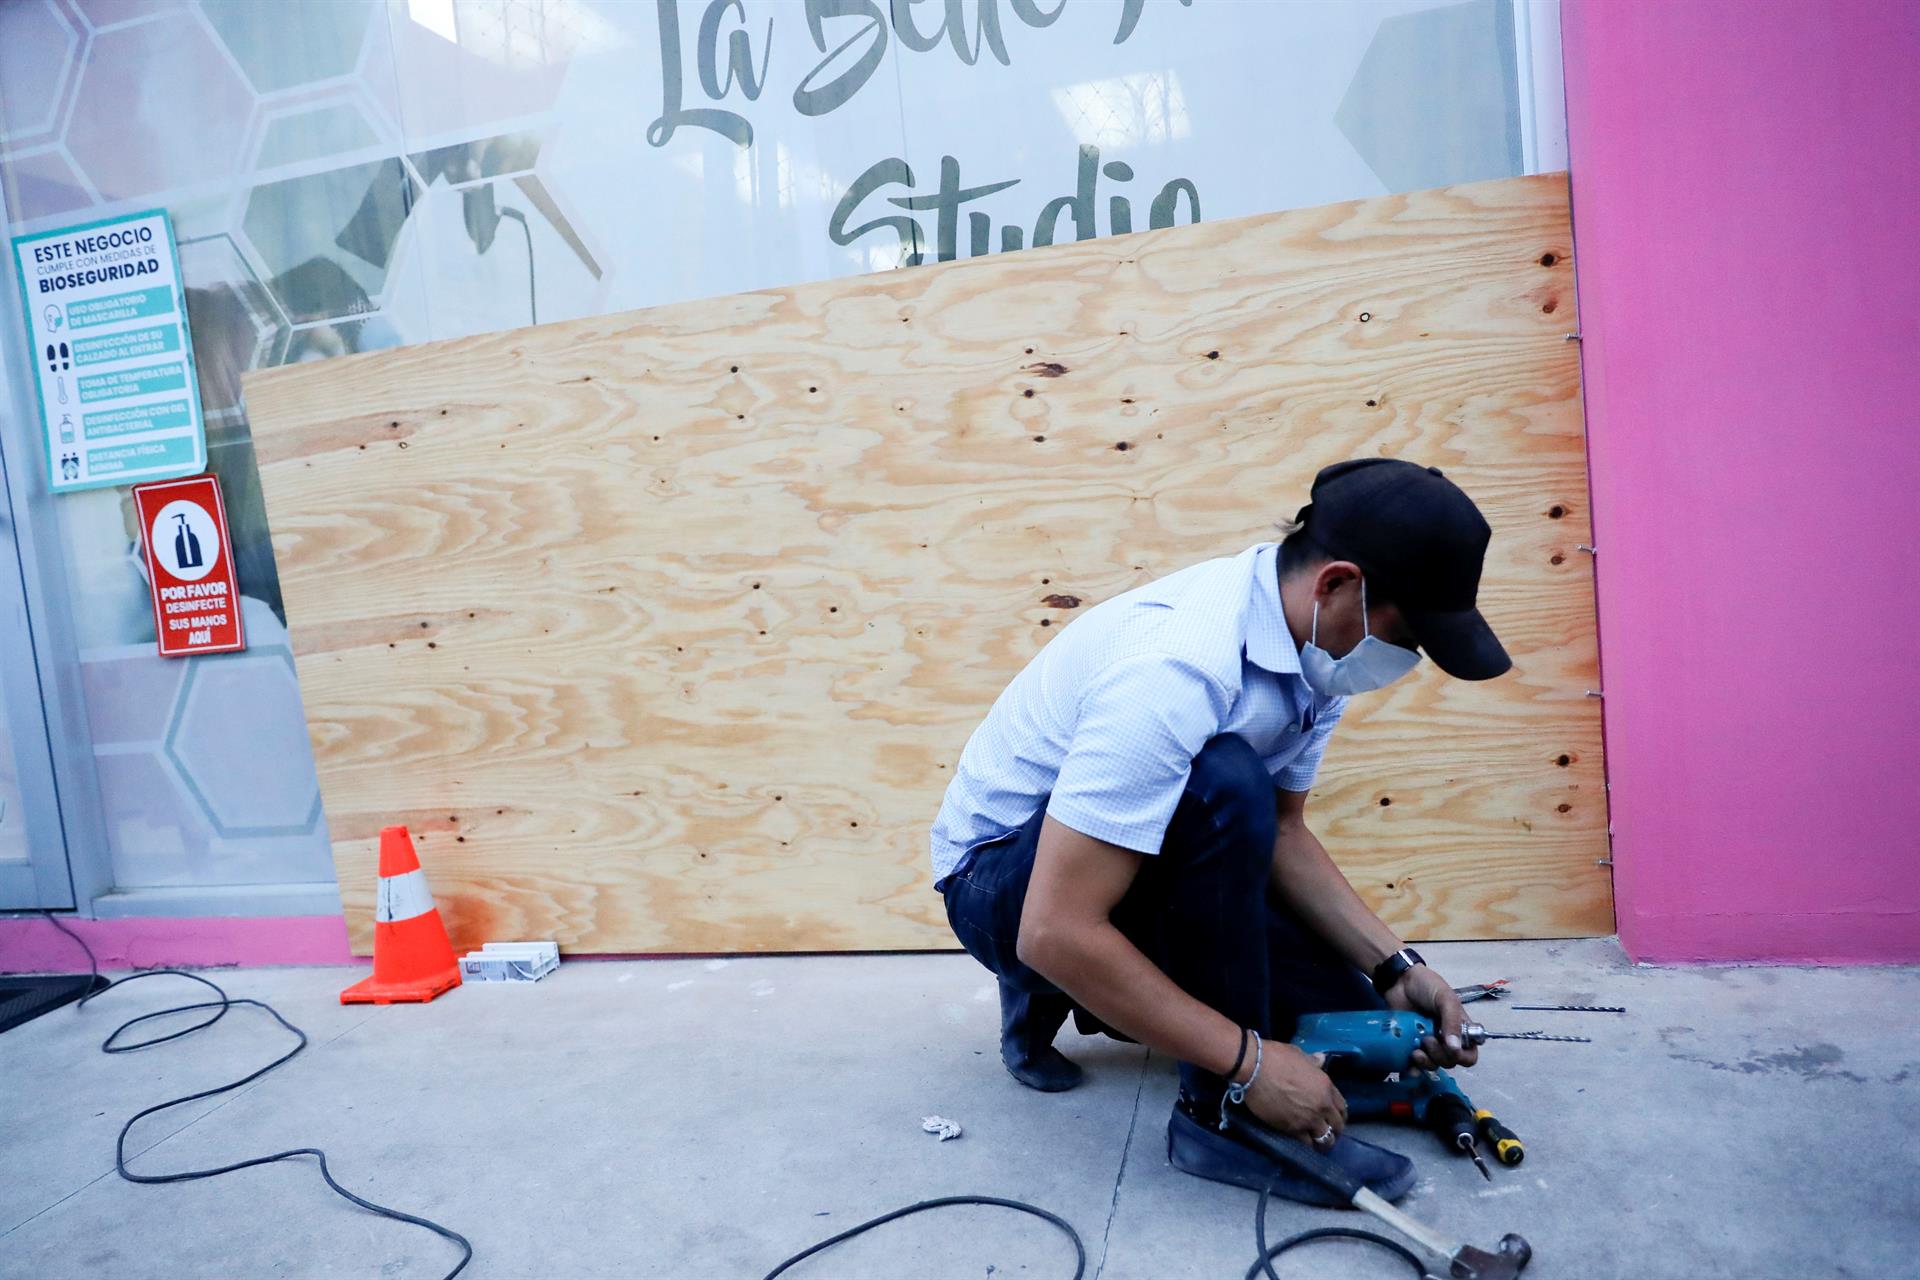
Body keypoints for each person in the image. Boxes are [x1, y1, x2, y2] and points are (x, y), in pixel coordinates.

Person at [930, 458, 1512, 1204]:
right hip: (1004, 887)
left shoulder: (1314, 651)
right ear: (1336, 584)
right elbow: (1054, 929)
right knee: (1224, 776)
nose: (1406, 660)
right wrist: (1248, 1066)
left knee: (1359, 1037)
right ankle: (1217, 1120)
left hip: (1123, 860)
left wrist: (1396, 968)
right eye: (1407, 635)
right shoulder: (1177, 665)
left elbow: (1281, 830)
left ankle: (1097, 997)